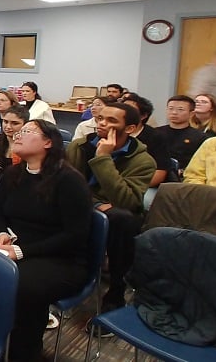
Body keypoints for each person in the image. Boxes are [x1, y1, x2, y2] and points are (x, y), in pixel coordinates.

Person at [0, 120, 92, 362]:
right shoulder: (13, 174)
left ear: (48, 142)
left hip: (61, 258)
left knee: (22, 286)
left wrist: (22, 251)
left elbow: (74, 235)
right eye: (19, 131)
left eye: (27, 131)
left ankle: (23, 354)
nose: (18, 134)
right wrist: (1, 232)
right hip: (16, 248)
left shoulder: (69, 180)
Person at [66, 102, 155, 311]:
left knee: (124, 220)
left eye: (111, 120)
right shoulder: (79, 147)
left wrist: (103, 158)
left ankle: (116, 289)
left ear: (130, 128)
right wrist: (96, 204)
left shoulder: (143, 161)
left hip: (115, 215)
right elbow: (67, 188)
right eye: (101, 118)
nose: (102, 123)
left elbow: (127, 201)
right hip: (83, 205)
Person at [158, 95, 208, 177]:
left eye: (180, 109)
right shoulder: (155, 133)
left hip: (185, 177)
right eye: (170, 108)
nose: (174, 112)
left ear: (191, 114)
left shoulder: (201, 137)